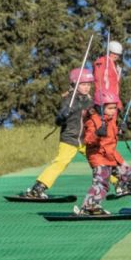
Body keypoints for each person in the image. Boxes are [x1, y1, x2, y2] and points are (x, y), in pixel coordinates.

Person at [78, 92, 131, 216]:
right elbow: (88, 140)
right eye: (110, 108)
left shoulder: (110, 118)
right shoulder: (92, 120)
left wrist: (119, 130)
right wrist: (97, 134)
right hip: (98, 155)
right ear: (100, 108)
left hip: (112, 155)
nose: (113, 111)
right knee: (101, 181)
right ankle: (90, 206)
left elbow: (110, 136)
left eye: (114, 108)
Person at [23, 68, 95, 198]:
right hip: (70, 138)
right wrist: (62, 116)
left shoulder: (89, 100)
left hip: (86, 139)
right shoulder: (69, 99)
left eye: (89, 85)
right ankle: (38, 188)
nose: (87, 87)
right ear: (74, 84)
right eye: (83, 84)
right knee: (61, 162)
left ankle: (119, 182)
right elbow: (58, 120)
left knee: (98, 160)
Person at [93, 40, 123, 108]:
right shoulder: (103, 61)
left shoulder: (115, 66)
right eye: (113, 53)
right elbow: (98, 80)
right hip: (104, 98)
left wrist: (118, 101)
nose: (115, 56)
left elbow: (116, 85)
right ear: (108, 52)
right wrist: (100, 97)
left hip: (114, 98)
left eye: (117, 54)